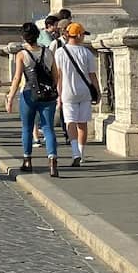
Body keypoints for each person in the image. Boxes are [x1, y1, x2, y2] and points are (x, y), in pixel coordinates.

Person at [5, 22, 59, 177]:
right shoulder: (48, 52)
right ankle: (52, 161)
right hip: (47, 94)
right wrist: (53, 88)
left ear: (23, 37)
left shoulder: (21, 54)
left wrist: (10, 97)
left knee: (27, 127)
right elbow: (56, 75)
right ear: (37, 35)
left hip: (29, 93)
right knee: (48, 128)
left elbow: (17, 78)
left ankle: (27, 160)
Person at [52, 21, 100, 167]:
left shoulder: (60, 53)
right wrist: (97, 92)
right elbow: (92, 76)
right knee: (82, 123)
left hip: (67, 91)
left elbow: (58, 76)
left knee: (70, 122)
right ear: (79, 35)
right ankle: (82, 152)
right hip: (84, 92)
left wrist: (58, 95)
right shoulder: (87, 53)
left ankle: (75, 152)